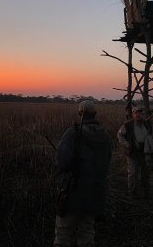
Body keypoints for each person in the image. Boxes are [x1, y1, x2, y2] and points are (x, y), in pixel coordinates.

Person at [53, 100, 113, 247]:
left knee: (63, 232)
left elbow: (62, 162)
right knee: (87, 232)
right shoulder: (105, 136)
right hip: (95, 192)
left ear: (80, 113)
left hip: (73, 192)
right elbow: (106, 162)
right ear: (95, 114)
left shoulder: (73, 132)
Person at [117, 106, 153, 199]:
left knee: (145, 173)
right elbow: (119, 135)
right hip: (132, 153)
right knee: (133, 173)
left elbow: (151, 136)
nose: (138, 114)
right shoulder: (128, 125)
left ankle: (146, 192)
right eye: (136, 113)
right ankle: (132, 193)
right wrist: (127, 144)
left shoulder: (147, 124)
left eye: (140, 113)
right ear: (133, 114)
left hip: (145, 152)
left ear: (142, 114)